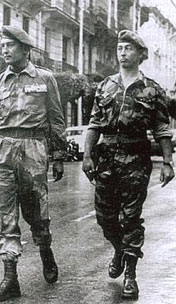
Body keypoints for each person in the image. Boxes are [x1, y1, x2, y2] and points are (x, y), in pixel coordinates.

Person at [82, 30, 174, 299]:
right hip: (106, 157)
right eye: (120, 48)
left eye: (128, 49)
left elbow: (161, 128)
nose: (123, 53)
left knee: (131, 217)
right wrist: (87, 155)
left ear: (140, 55)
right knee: (105, 217)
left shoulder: (152, 89)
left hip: (136, 158)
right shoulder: (105, 86)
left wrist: (167, 162)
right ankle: (119, 249)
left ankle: (131, 275)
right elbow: (95, 124)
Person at [0, 26, 66, 301]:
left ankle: (45, 249)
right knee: (6, 216)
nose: (4, 50)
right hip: (4, 150)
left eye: (10, 45)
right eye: (3, 45)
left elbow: (56, 118)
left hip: (34, 150)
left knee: (37, 214)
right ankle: (10, 278)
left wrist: (57, 155)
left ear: (25, 49)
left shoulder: (44, 79)